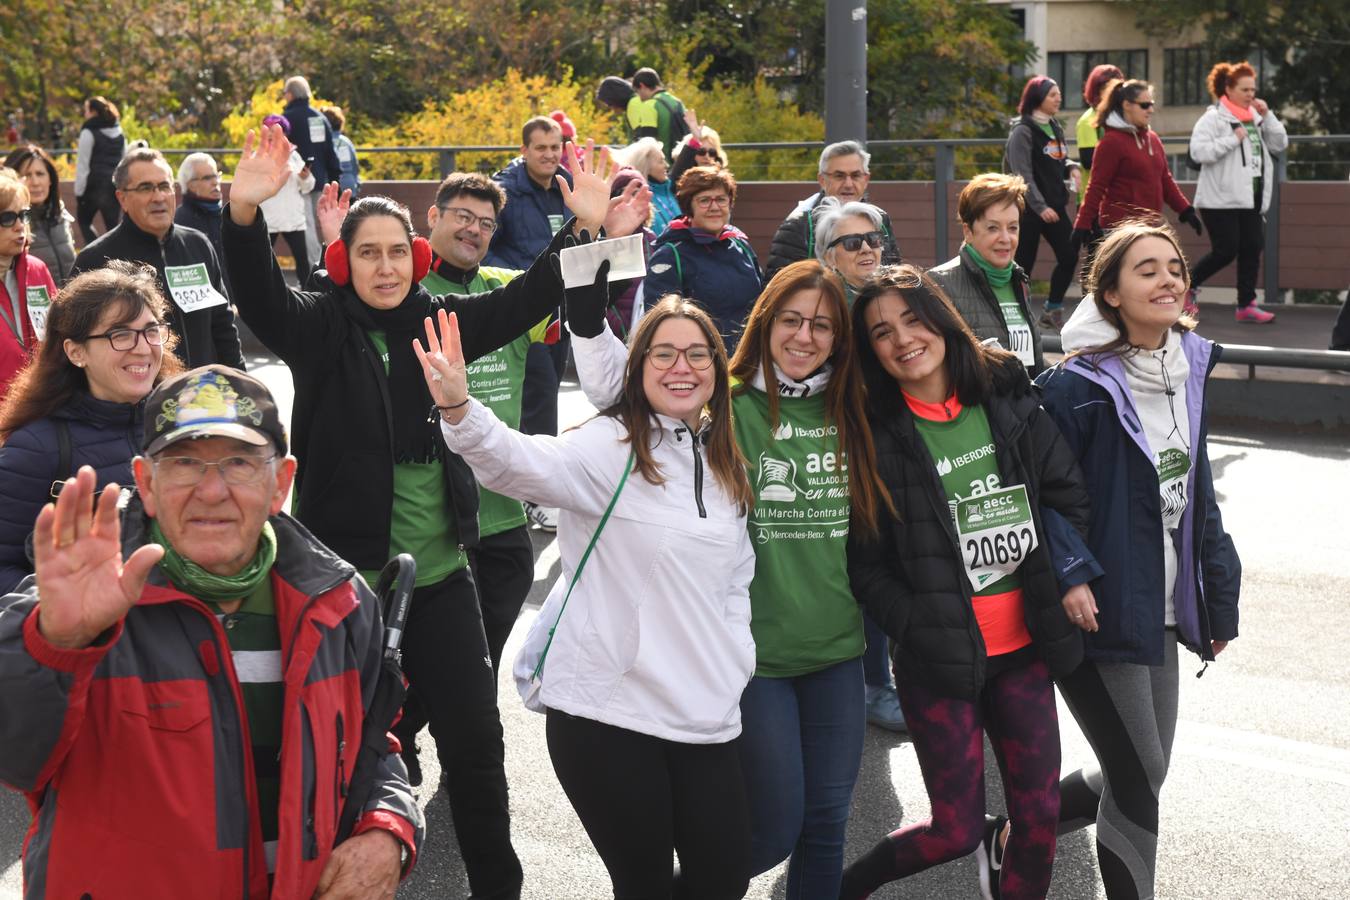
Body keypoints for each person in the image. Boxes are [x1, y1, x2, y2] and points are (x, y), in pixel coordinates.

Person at [222, 124, 636, 900]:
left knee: (478, 750)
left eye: (395, 251)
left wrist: (581, 228)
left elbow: (526, 299)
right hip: (342, 590)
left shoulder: (441, 320)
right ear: (346, 261)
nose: (384, 265)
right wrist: (242, 213)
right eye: (367, 251)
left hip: (443, 580)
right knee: (338, 756)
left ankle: (497, 889)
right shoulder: (317, 327)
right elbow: (256, 293)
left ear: (415, 258)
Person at [0, 364, 423, 897]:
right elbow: (15, 761)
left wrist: (390, 829)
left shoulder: (339, 603)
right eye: (183, 464)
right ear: (146, 483)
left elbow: (368, 747)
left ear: (281, 483)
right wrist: (55, 646)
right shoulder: (83, 600)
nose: (212, 490)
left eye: (240, 464)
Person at [567, 260, 895, 895]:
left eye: (823, 326)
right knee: (773, 828)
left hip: (836, 652)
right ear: (765, 323)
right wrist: (587, 287)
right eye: (792, 320)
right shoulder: (722, 405)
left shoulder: (854, 408)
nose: (805, 336)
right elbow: (628, 391)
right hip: (755, 659)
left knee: (827, 824)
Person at [418, 294, 757, 900]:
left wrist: (735, 662)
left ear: (717, 367)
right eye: (664, 353)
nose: (682, 367)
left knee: (723, 878)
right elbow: (515, 463)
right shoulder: (610, 446)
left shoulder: (724, 457)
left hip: (705, 711)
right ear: (639, 366)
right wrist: (459, 406)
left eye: (698, 353)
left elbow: (735, 582)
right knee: (645, 885)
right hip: (608, 714)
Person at [838, 264, 1091, 900]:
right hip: (938, 660)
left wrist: (1068, 576)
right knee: (954, 830)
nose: (902, 340)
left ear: (942, 321)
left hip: (1024, 649)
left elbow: (1065, 494)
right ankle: (847, 886)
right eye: (881, 333)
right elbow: (865, 565)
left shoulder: (1004, 393)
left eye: (913, 320)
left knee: (1037, 818)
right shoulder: (872, 432)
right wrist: (918, 624)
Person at [1035, 222, 1241, 900]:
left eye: (1174, 267)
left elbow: (1198, 493)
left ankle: (1015, 832)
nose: (1168, 280)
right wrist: (1071, 572)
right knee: (1137, 774)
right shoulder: (1078, 386)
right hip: (1104, 604)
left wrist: (1218, 592)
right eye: (1147, 270)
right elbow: (1038, 493)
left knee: (1144, 771)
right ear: (1113, 293)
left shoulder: (1187, 367)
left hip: (1165, 604)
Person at [0, 263, 182, 594]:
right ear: (76, 351)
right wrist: (68, 603)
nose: (142, 347)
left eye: (151, 330)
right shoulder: (35, 449)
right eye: (120, 335)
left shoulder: (181, 425)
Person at [809, 197, 909, 730]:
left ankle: (886, 677)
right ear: (828, 255)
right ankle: (871, 685)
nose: (868, 248)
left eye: (873, 239)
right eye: (853, 242)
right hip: (840, 458)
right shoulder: (823, 310)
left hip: (891, 452)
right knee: (861, 570)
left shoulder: (889, 299)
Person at [72, 147, 245, 370]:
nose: (158, 197)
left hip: (204, 397)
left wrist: (240, 385)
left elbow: (222, 325)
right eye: (146, 188)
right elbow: (78, 343)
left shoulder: (198, 245)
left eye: (164, 186)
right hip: (134, 401)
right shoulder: (95, 260)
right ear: (122, 198)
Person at [487, 115, 576, 531]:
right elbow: (485, 246)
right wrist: (522, 281)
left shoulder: (564, 187)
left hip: (557, 310)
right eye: (540, 148)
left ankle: (533, 487)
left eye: (555, 147)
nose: (549, 155)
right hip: (522, 312)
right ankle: (536, 494)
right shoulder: (505, 192)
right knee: (536, 397)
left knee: (547, 392)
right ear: (523, 150)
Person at [1188, 61, 1288, 324]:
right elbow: (1198, 152)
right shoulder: (1213, 118)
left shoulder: (1255, 117)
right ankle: (1188, 286)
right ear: (1228, 89)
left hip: (1251, 197)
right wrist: (1233, 139)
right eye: (1245, 89)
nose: (1251, 95)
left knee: (1253, 247)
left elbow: (1279, 144)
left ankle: (1246, 305)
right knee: (1226, 250)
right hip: (1219, 199)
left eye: (1253, 89)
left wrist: (1268, 116)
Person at [929, 173, 1045, 374]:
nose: (1005, 238)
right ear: (968, 231)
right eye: (993, 228)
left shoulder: (1019, 280)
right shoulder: (938, 284)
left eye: (1013, 228)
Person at [644, 165, 763, 353]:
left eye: (721, 200)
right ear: (688, 206)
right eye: (704, 200)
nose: (714, 207)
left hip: (749, 360)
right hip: (703, 364)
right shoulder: (670, 255)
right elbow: (659, 324)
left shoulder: (741, 245)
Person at [1073, 80, 1203, 247]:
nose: (1151, 110)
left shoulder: (1153, 139)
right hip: (1120, 232)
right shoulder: (1111, 142)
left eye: (1152, 104)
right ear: (1127, 105)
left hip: (1150, 228)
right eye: (1145, 105)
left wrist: (1185, 210)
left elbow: (1165, 179)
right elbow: (1096, 187)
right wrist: (1082, 225)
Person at [1005, 76, 1080, 331]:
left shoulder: (1054, 127)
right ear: (1037, 99)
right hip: (1029, 210)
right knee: (1023, 262)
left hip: (1054, 207)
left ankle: (1052, 309)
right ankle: (1016, 314)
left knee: (1069, 255)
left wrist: (1071, 168)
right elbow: (1021, 175)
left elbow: (1061, 158)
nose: (1058, 98)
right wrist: (1039, 206)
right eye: (1052, 95)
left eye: (1058, 94)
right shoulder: (1022, 131)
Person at [767, 140, 901, 279]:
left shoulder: (880, 219)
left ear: (866, 179)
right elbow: (777, 291)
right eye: (839, 176)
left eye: (856, 175)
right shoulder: (798, 226)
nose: (848, 184)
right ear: (822, 180)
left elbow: (893, 278)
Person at [0, 169, 58, 398]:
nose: (19, 226)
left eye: (23, 215)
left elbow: (58, 336)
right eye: (6, 218)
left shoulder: (37, 269)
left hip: (39, 404)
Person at [280, 75, 341, 262]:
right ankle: (334, 267)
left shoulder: (286, 120)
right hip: (322, 184)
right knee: (328, 226)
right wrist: (333, 181)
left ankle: (313, 273)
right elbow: (331, 154)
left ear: (290, 95)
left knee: (307, 230)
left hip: (298, 185)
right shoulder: (321, 118)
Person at [4, 144, 76, 284]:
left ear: (50, 179)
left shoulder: (61, 216)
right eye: (26, 175)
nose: (35, 182)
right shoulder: (10, 225)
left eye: (40, 174)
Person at [259, 114, 316, 285]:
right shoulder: (259, 156)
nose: (271, 133)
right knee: (264, 261)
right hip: (269, 217)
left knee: (302, 260)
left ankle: (308, 295)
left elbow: (308, 186)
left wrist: (304, 177)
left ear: (284, 132)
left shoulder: (294, 155)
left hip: (293, 217)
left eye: (275, 129)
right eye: (268, 129)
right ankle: (264, 293)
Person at [73, 96, 124, 243]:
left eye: (86, 110)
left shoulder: (88, 131)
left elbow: (83, 164)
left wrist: (79, 191)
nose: (84, 114)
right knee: (113, 227)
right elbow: (124, 160)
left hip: (92, 186)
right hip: (113, 186)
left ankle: (96, 252)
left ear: (93, 111)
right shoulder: (119, 131)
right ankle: (116, 258)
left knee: (84, 222)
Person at [1076, 64, 1124, 206]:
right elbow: (1088, 160)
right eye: (1107, 86)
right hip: (1093, 201)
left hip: (1117, 198)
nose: (1114, 91)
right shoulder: (1088, 120)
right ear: (1096, 90)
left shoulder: (1121, 117)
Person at [174, 152, 227, 276]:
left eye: (216, 176)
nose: (215, 182)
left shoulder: (227, 215)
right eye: (208, 178)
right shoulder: (183, 220)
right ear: (191, 185)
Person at [618, 136, 680, 233]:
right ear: (646, 166)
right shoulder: (637, 201)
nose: (667, 165)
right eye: (661, 161)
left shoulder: (670, 191)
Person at [631, 67, 689, 162]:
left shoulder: (650, 105)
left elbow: (648, 143)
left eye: (637, 92)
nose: (639, 97)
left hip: (662, 166)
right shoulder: (678, 102)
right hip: (682, 162)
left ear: (642, 86)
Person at [595, 75, 654, 145]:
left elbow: (642, 140)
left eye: (609, 103)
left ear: (615, 98)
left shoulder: (633, 105)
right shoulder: (636, 100)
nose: (610, 108)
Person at [322, 104, 362, 198]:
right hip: (349, 186)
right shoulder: (346, 142)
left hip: (330, 188)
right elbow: (355, 166)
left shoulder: (324, 143)